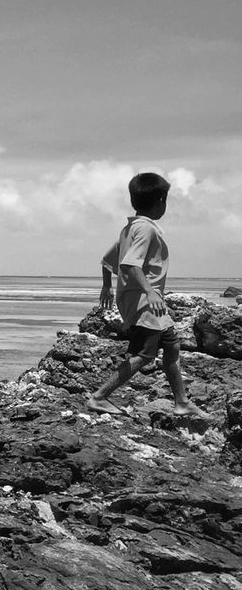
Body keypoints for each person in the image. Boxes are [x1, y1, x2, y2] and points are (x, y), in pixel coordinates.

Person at [86, 172, 210, 419]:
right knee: (144, 354)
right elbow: (130, 265)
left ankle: (182, 402)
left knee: (172, 344)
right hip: (143, 299)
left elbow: (106, 261)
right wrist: (150, 292)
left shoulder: (130, 228)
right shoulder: (145, 230)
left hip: (140, 297)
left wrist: (106, 287)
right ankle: (99, 397)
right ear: (161, 200)